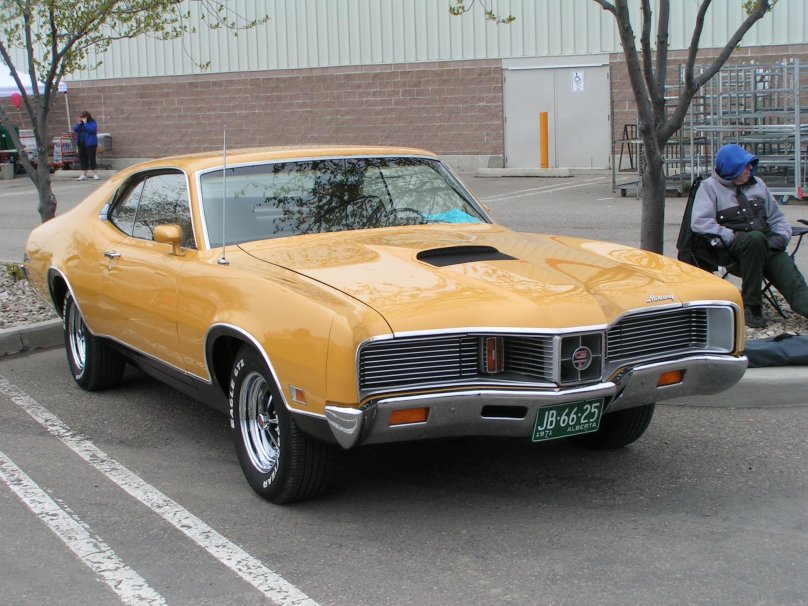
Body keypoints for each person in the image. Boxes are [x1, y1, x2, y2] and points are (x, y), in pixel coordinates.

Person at [691, 143, 808, 329]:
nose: (750, 168)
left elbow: (778, 219)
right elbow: (700, 223)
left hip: (765, 245)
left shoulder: (758, 185)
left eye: (750, 164)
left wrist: (781, 237)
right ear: (731, 168)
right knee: (754, 239)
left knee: (792, 280)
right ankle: (752, 307)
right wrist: (731, 236)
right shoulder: (709, 187)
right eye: (745, 165)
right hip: (733, 249)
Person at [72, 110, 99, 181]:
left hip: (90, 144)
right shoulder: (81, 124)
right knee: (83, 159)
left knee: (91, 159)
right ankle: (83, 175)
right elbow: (75, 130)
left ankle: (94, 174)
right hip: (81, 143)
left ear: (87, 117)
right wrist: (79, 123)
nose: (81, 118)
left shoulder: (92, 122)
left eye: (83, 117)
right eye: (80, 117)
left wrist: (85, 123)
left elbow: (92, 130)